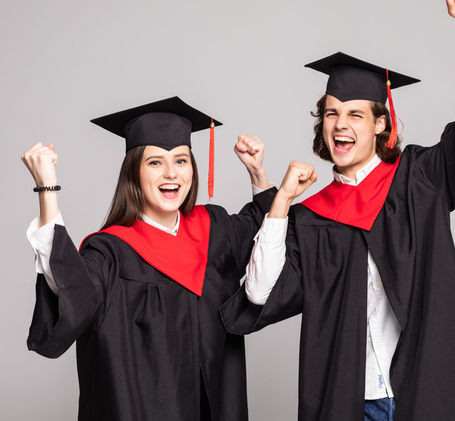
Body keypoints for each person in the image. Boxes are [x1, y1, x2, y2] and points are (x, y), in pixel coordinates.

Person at [220, 0, 455, 420]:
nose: (340, 124)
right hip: (351, 403)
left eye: (356, 114)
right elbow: (260, 292)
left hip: (429, 395)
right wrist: (280, 200)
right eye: (332, 112)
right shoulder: (311, 220)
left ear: (381, 124)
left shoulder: (419, 181)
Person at [21, 96, 276, 421]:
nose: (171, 173)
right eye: (155, 162)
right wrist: (48, 190)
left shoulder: (214, 229)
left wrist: (257, 172)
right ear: (134, 173)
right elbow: (73, 293)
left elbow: (266, 233)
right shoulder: (110, 252)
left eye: (181, 160)